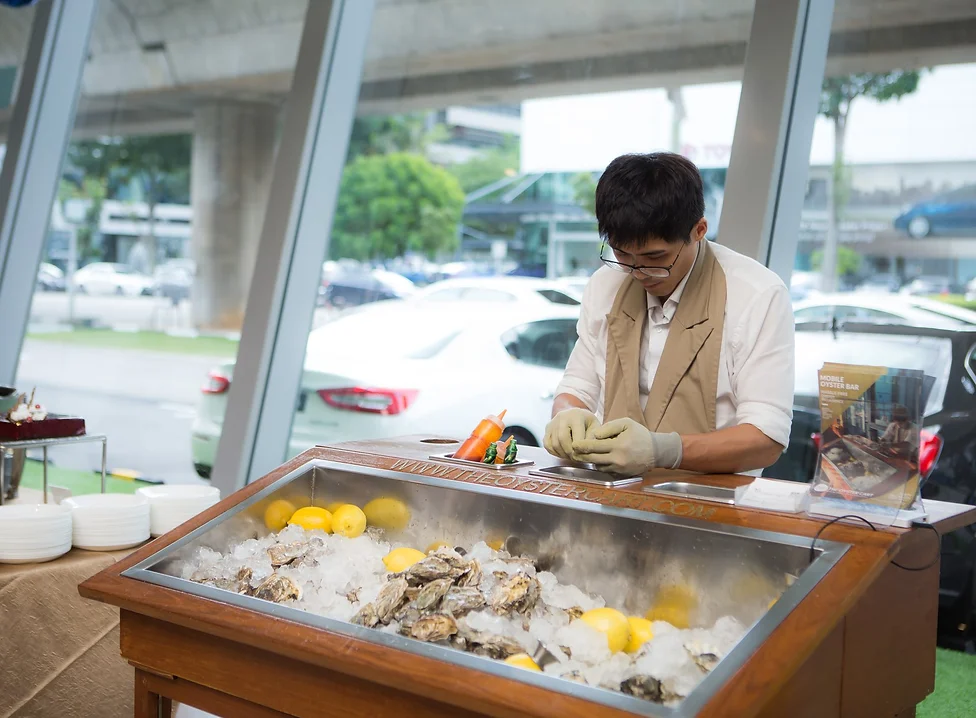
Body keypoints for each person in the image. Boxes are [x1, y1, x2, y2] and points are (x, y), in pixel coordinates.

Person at [543, 152, 795, 477]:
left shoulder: (757, 295)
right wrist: (566, 415)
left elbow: (766, 438)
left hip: (711, 507)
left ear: (699, 230)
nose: (638, 271)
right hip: (611, 496)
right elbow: (578, 387)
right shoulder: (606, 283)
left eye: (655, 256)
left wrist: (663, 451)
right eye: (623, 254)